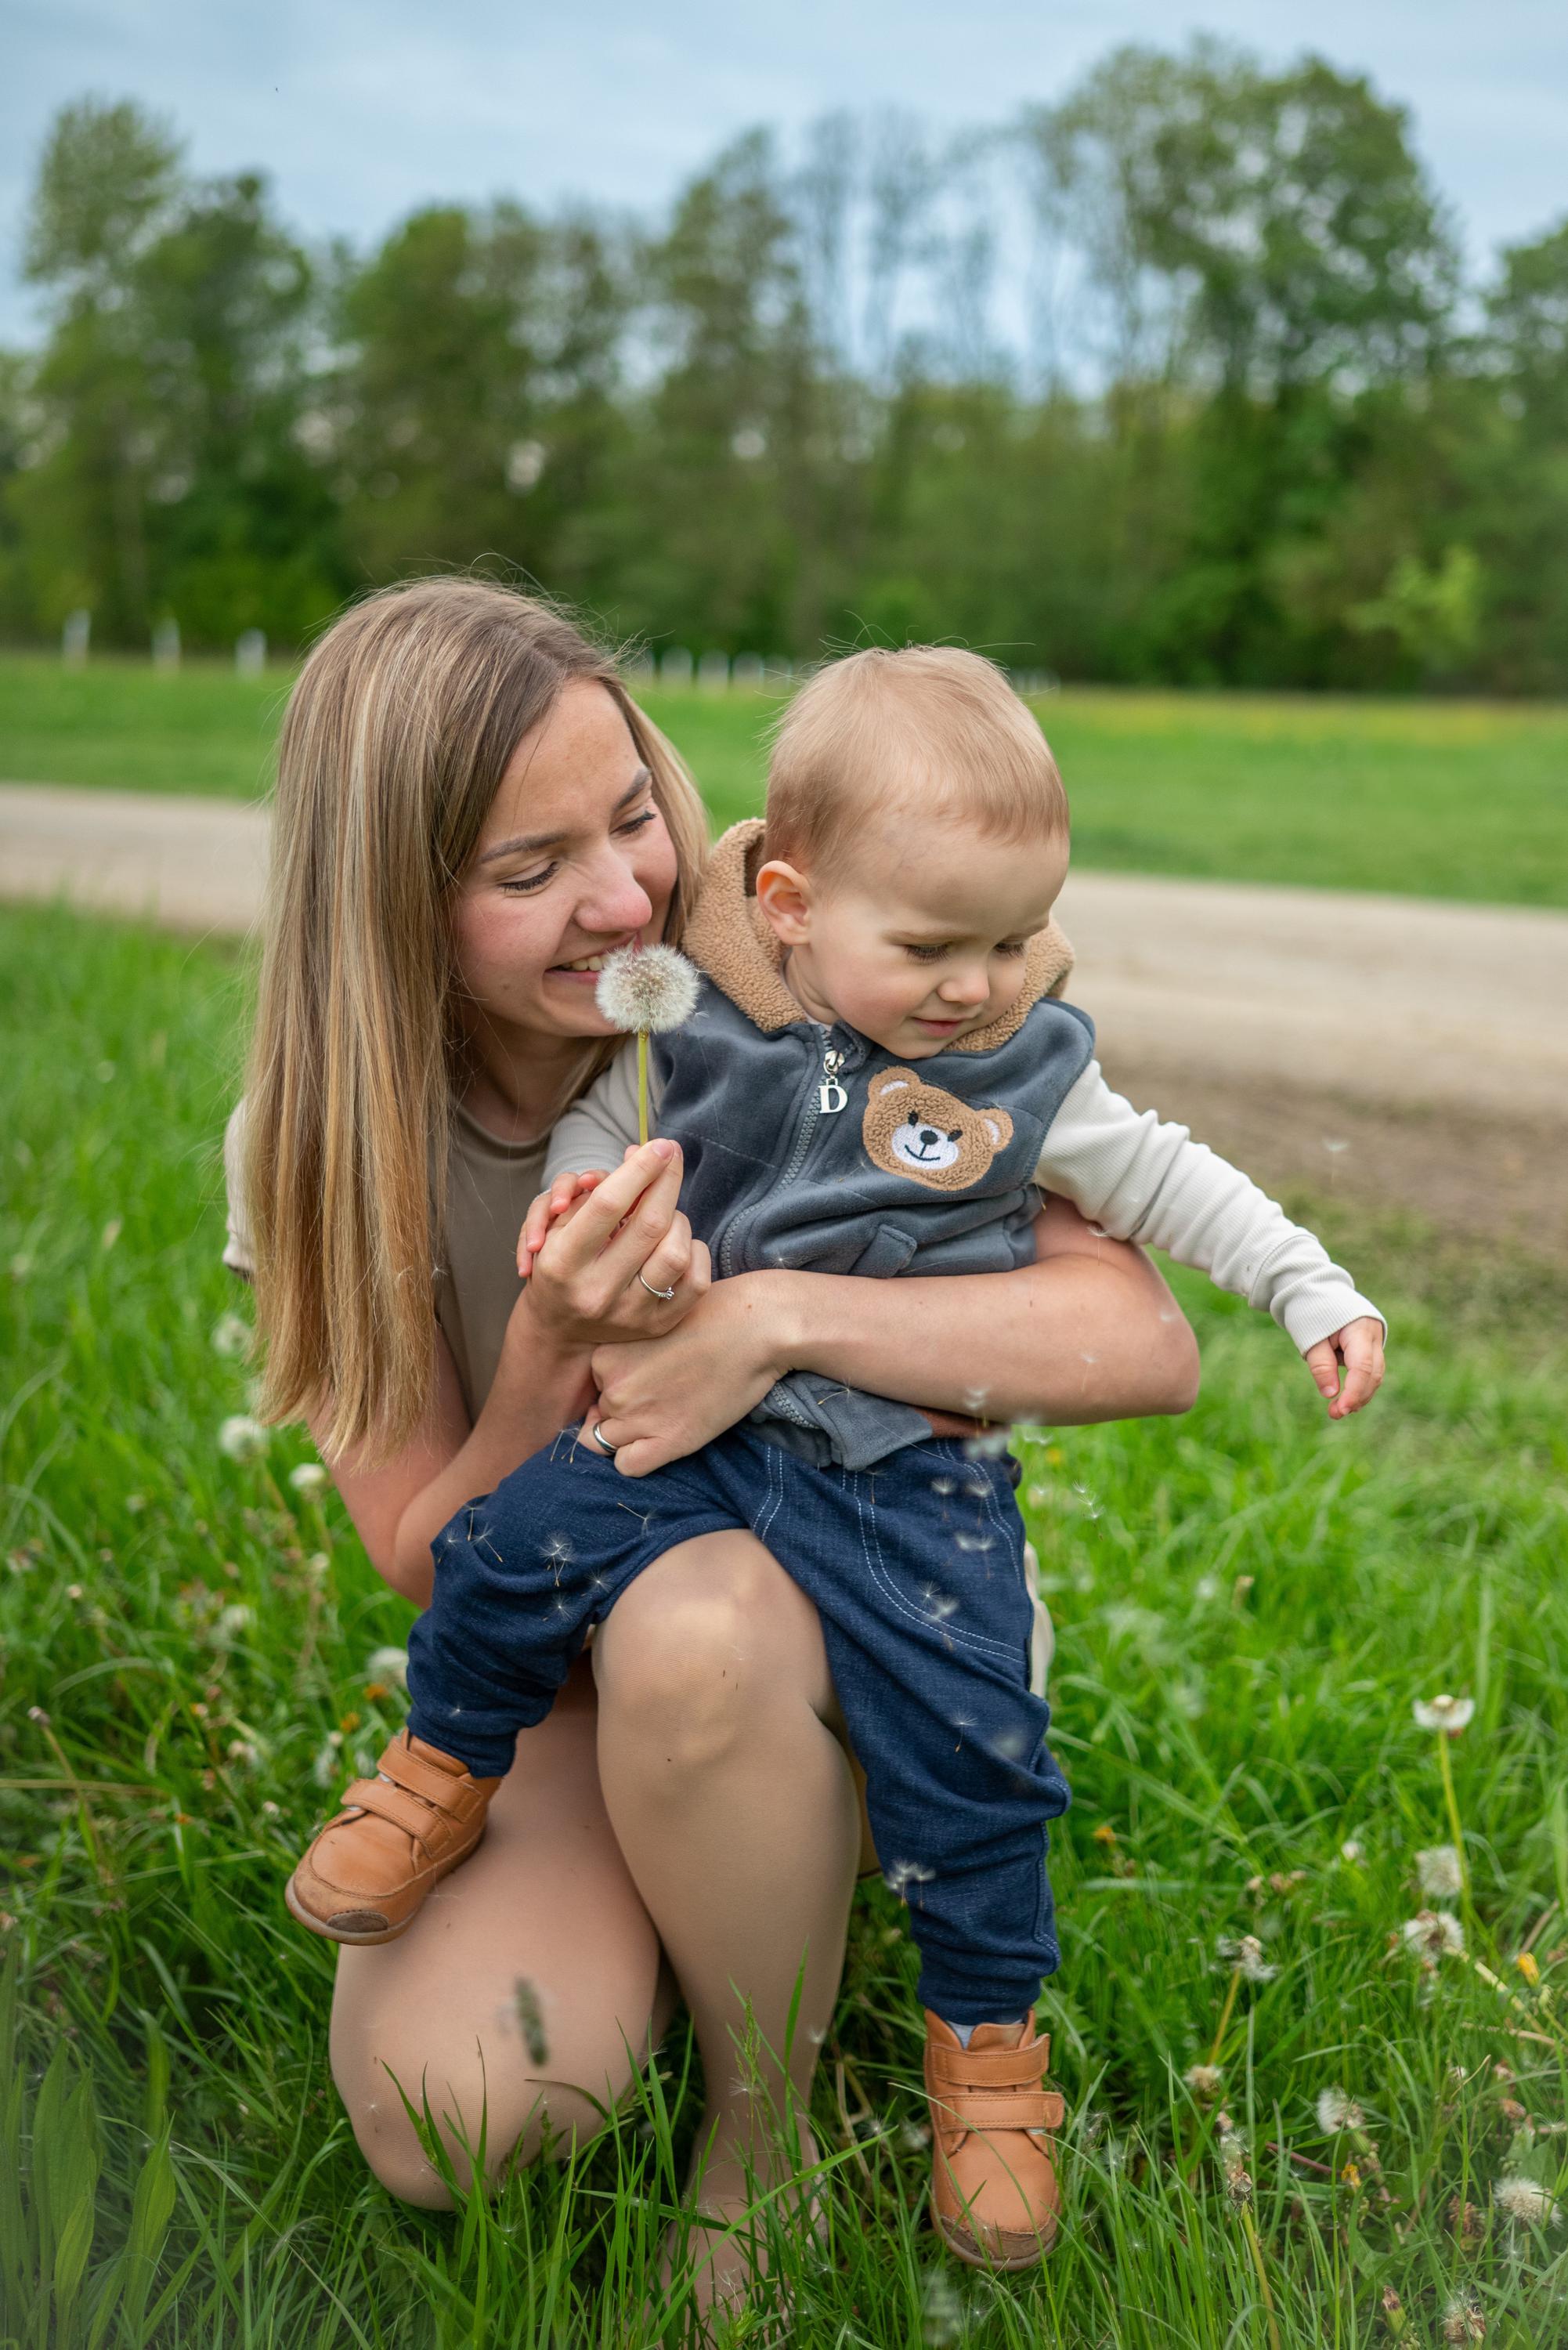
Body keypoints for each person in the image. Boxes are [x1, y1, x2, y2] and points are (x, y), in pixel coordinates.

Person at [278, 639, 1384, 2271]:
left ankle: (801, 2108)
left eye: (634, 817)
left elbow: (1147, 1331)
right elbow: (439, 1517)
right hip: (590, 1629)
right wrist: (557, 1326)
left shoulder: (940, 1023)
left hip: (857, 1562)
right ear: (395, 903)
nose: (622, 899)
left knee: (858, 1699)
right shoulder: (432, 1105)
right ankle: (449, 1776)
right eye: (531, 869)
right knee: (458, 2117)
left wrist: (777, 1319)